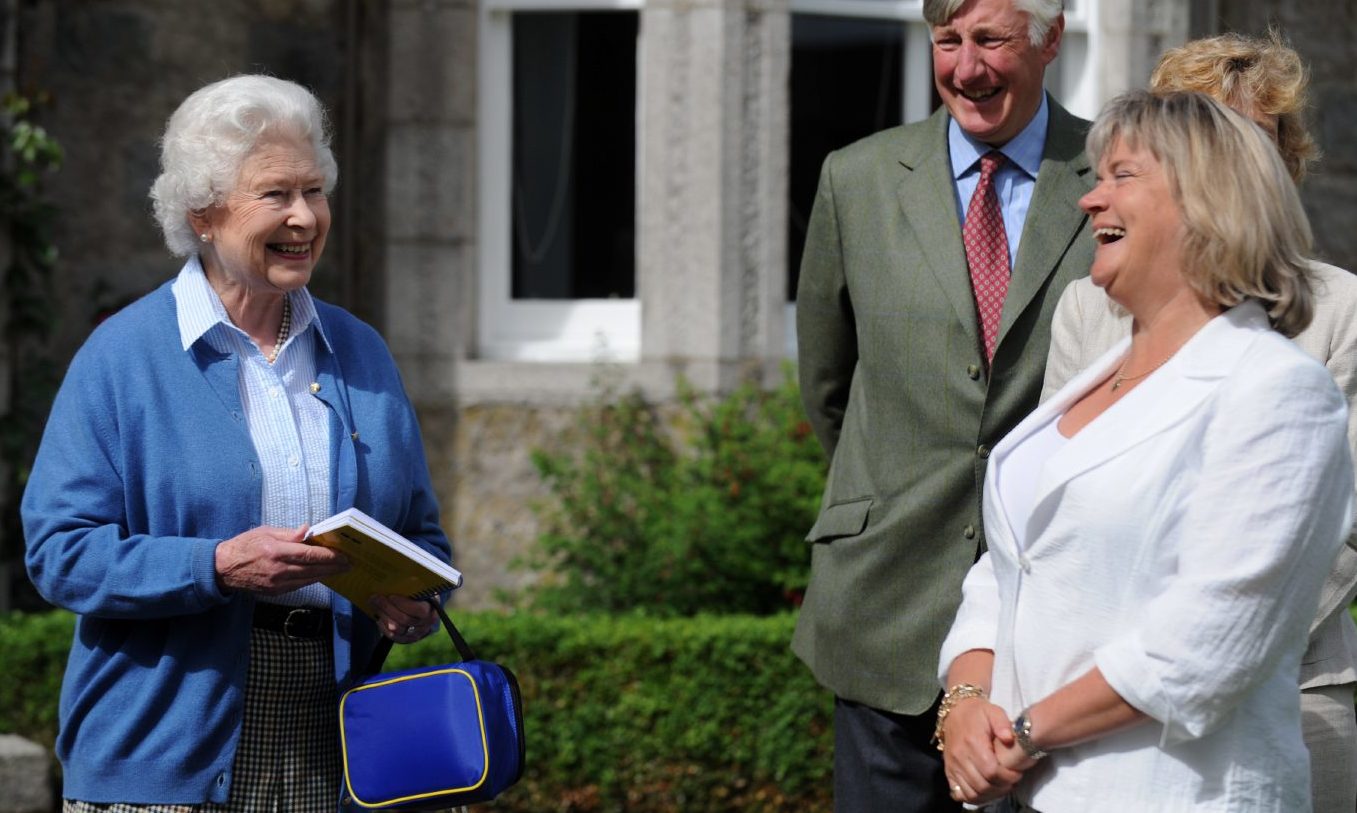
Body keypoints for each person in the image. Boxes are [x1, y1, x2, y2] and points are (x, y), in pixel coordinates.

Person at [22, 75, 451, 811]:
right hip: (161, 748)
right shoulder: (122, 356)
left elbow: (420, 530)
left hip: (337, 749)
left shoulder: (360, 351)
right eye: (275, 194)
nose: (304, 217)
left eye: (314, 192)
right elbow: (59, 552)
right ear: (203, 213)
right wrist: (216, 565)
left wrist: (412, 594)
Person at [937, 89, 1354, 811]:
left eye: (1120, 176)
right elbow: (1008, 570)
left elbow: (1204, 644)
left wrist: (1025, 734)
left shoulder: (1274, 390)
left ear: (1206, 203)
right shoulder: (1096, 379)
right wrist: (966, 701)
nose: (1087, 201)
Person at [792, 0, 1093, 807]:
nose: (965, 68)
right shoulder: (853, 179)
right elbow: (827, 383)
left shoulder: (1115, 173)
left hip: (1056, 605)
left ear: (1050, 40)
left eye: (990, 39)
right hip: (885, 602)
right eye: (947, 40)